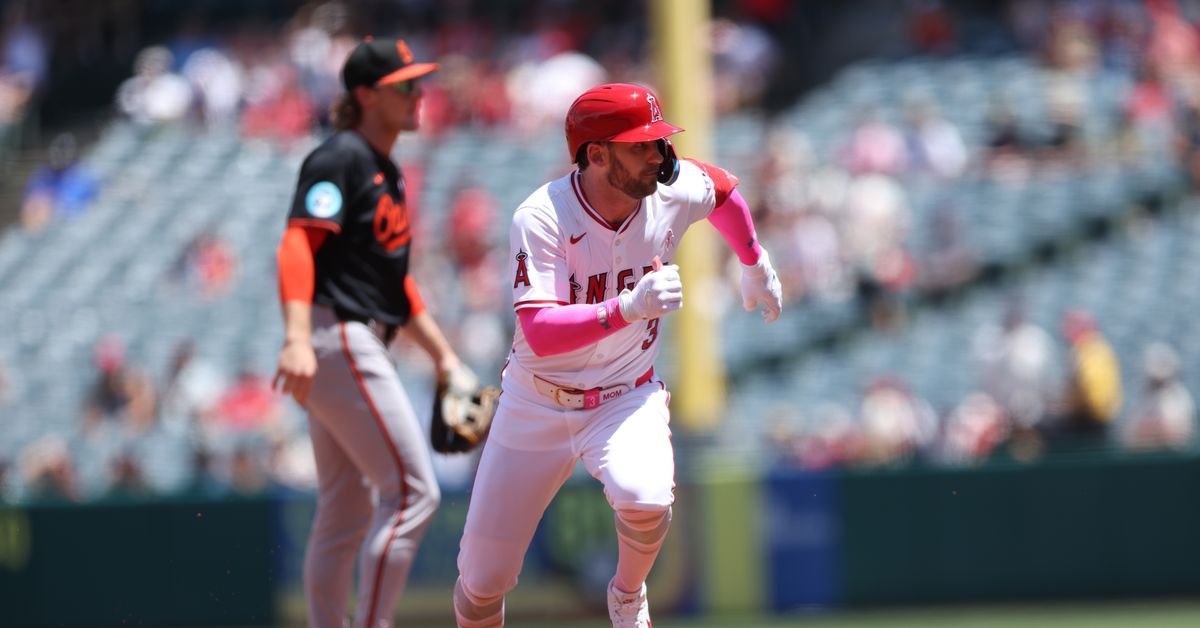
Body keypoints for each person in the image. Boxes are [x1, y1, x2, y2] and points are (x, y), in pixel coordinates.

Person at [452, 83, 783, 628]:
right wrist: (625, 309)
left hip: (624, 397)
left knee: (645, 495)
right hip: (535, 403)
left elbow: (722, 191)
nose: (657, 155)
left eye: (658, 142)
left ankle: (627, 594)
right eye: (640, 146)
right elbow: (538, 330)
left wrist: (753, 260)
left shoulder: (667, 187)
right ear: (596, 154)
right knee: (483, 582)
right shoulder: (543, 216)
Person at [272, 36, 466, 628]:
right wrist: (298, 336)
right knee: (413, 494)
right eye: (405, 85)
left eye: (419, 83)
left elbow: (396, 286)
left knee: (346, 510)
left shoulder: (386, 172)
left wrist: (445, 357)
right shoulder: (341, 157)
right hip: (337, 338)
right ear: (365, 95)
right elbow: (297, 242)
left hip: (353, 338)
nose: (419, 95)